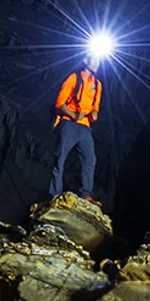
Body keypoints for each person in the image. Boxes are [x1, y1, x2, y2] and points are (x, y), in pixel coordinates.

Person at [47, 58, 102, 198]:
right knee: (60, 159)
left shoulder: (97, 84)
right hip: (69, 124)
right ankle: (55, 193)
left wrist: (94, 114)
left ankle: (86, 194)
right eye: (94, 60)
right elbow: (59, 104)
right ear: (85, 60)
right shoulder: (74, 78)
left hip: (85, 127)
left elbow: (95, 107)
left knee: (90, 160)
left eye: (99, 61)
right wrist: (73, 114)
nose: (97, 63)